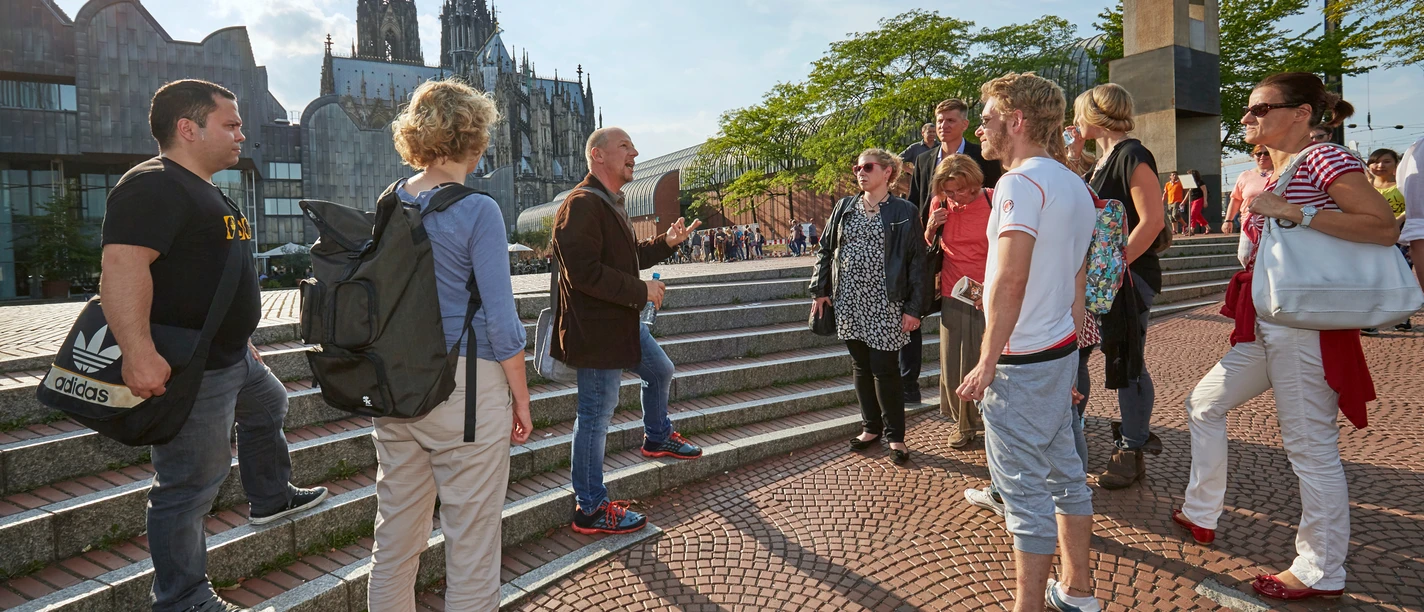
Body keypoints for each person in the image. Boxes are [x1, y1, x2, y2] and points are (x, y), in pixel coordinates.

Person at [100, 79, 327, 612]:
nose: (241, 134)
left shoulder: (202, 186)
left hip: (229, 357)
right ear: (188, 128)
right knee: (188, 485)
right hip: (189, 368)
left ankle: (269, 496)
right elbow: (121, 268)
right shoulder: (152, 185)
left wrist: (241, 339)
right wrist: (137, 353)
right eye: (230, 124)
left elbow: (208, 274)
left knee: (270, 403)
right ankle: (183, 598)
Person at [1177, 72, 1398, 602]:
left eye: (1260, 109)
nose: (1247, 119)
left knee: (1310, 448)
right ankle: (1201, 509)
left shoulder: (1326, 160)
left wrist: (1295, 211)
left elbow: (1382, 226)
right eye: (1247, 111)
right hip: (1269, 323)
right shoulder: (1279, 167)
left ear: (1301, 113)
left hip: (1302, 326)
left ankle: (1322, 569)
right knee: (1203, 403)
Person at [367, 79, 533, 611]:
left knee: (393, 543)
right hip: (467, 388)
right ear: (476, 137)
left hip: (397, 386)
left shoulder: (390, 200)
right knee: (472, 548)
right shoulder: (478, 209)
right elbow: (503, 324)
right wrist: (521, 399)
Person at [956, 72, 1100, 612]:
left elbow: (1012, 278)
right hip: (1058, 348)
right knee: (1065, 473)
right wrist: (1072, 355)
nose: (982, 130)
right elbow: (1075, 278)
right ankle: (1079, 589)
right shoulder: (1073, 183)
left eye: (989, 118)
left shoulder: (1019, 184)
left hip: (1022, 359)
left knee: (1023, 494)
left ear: (1016, 121)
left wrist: (988, 359)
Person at [552, 127, 703, 535]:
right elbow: (583, 273)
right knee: (595, 416)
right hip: (597, 332)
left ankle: (656, 437)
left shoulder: (608, 202)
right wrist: (642, 290)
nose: (635, 152)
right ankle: (590, 506)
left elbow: (626, 256)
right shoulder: (581, 204)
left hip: (618, 323)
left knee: (659, 370)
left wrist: (666, 243)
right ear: (597, 156)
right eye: (625, 146)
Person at [1065, 83, 1165, 490]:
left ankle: (1131, 448)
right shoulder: (1104, 158)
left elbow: (1153, 220)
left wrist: (1116, 264)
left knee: (1126, 359)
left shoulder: (1132, 154)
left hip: (1126, 280)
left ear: (1095, 113)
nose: (1073, 122)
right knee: (1080, 354)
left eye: (1078, 113)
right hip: (1099, 279)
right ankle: (1072, 435)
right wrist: (1073, 157)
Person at [810, 149, 926, 465]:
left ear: (888, 171)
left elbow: (917, 262)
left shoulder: (904, 210)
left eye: (868, 167)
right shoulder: (844, 207)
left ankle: (895, 436)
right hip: (849, 301)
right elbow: (825, 250)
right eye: (857, 167)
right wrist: (820, 289)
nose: (860, 172)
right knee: (861, 366)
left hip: (886, 303)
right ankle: (870, 427)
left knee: (886, 370)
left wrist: (914, 308)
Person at [904, 98, 1004, 404]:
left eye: (949, 120)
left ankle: (985, 404)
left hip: (980, 262)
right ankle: (914, 388)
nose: (942, 126)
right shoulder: (924, 159)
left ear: (964, 124)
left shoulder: (984, 155)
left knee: (979, 338)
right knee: (934, 329)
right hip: (940, 258)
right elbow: (915, 205)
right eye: (938, 120)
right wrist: (928, 231)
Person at [922, 154, 991, 449]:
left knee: (984, 360)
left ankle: (989, 421)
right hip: (953, 290)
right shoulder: (939, 203)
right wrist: (930, 228)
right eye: (948, 191)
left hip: (987, 292)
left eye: (960, 190)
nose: (955, 196)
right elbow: (928, 245)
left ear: (974, 182)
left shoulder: (992, 199)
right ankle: (962, 424)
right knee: (953, 364)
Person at [1365, 147, 1409, 334]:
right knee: (1372, 278)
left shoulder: (1402, 185)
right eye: (1375, 161)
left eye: (1386, 161)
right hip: (1370, 238)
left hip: (1399, 238)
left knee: (1399, 277)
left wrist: (1398, 220)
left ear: (1396, 166)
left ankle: (1403, 317)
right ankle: (1371, 320)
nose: (1380, 165)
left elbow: (1413, 205)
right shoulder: (1364, 187)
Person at [1226, 146, 1275, 234]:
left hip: (1275, 225)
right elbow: (1236, 199)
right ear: (1253, 156)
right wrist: (1228, 221)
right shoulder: (1244, 175)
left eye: (1266, 153)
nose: (1262, 156)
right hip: (1249, 225)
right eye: (1259, 153)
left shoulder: (1281, 174)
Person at [1186, 169, 1211, 235]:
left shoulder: (1200, 182)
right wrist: (1183, 201)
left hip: (1199, 199)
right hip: (1192, 200)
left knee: (1193, 214)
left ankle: (1191, 230)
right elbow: (1189, 192)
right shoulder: (1191, 183)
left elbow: (1204, 191)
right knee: (1197, 215)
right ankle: (1207, 227)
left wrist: (1205, 201)